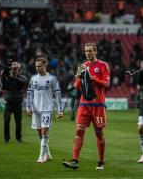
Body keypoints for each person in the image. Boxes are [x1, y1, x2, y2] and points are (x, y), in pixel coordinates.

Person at [62, 42, 110, 170]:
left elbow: (106, 84)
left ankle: (100, 162)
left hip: (98, 104)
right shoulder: (83, 66)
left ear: (95, 51)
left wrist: (91, 78)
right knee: (79, 131)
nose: (87, 53)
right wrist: (77, 76)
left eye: (90, 51)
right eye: (86, 51)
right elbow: (77, 87)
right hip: (84, 104)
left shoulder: (103, 65)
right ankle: (75, 161)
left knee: (99, 133)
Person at [26, 57, 64, 163]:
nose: (38, 68)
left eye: (40, 66)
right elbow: (29, 93)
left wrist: (60, 109)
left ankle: (41, 156)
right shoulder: (33, 78)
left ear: (45, 65)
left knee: (44, 131)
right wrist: (28, 107)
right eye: (36, 66)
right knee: (39, 132)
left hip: (47, 109)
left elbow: (57, 94)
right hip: (36, 109)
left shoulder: (52, 78)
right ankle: (47, 153)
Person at [1, 61, 27, 143]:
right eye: (13, 68)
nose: (14, 70)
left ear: (19, 69)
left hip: (18, 102)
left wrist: (12, 76)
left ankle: (18, 138)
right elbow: (3, 86)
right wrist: (3, 77)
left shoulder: (22, 77)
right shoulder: (8, 77)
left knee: (18, 122)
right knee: (6, 120)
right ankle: (6, 138)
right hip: (9, 102)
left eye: (16, 68)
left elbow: (22, 83)